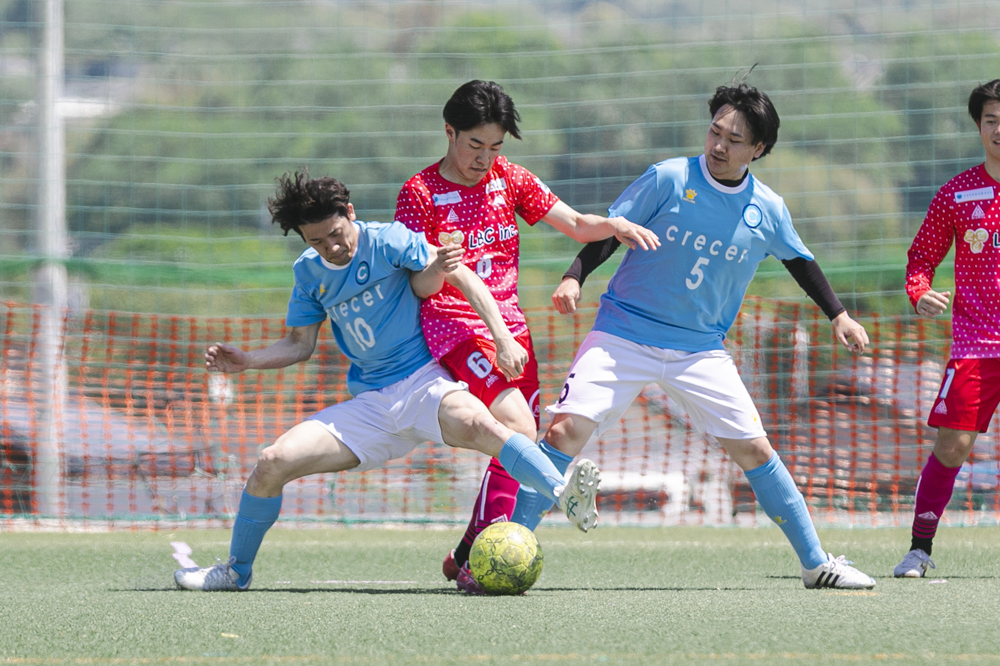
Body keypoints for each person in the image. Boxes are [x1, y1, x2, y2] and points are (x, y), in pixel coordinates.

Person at [173, 172, 600, 591]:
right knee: (271, 462)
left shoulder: (388, 239)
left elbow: (460, 274)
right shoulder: (308, 273)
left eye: (336, 234)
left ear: (351, 213)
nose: (332, 247)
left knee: (489, 426)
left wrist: (501, 339)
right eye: (317, 241)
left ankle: (564, 494)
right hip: (371, 406)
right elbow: (300, 344)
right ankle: (235, 572)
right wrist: (248, 360)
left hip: (423, 386)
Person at [533, 79, 879, 589]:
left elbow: (800, 261)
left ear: (758, 149)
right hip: (624, 333)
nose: (718, 145)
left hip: (699, 351)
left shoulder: (768, 209)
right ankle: (507, 547)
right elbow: (611, 230)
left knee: (757, 452)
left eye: (734, 139)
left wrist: (838, 315)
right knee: (562, 434)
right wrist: (572, 277)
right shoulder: (669, 178)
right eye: (715, 131)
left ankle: (816, 564)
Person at [393, 80, 659, 592]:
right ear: (449, 133)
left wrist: (615, 224)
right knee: (515, 426)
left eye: (495, 147)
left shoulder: (510, 179)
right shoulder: (420, 193)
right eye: (475, 145)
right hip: (457, 328)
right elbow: (420, 284)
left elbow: (579, 224)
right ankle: (487, 559)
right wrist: (444, 270)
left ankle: (466, 552)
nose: (485, 158)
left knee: (519, 442)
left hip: (513, 331)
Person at [894, 79, 1000, 578]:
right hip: (977, 344)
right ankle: (919, 548)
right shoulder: (957, 193)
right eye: (991, 120)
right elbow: (921, 259)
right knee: (953, 446)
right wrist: (919, 293)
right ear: (979, 126)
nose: (999, 129)